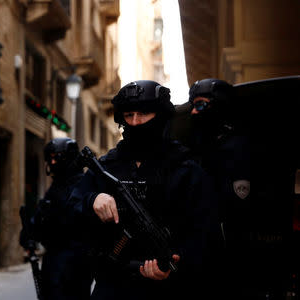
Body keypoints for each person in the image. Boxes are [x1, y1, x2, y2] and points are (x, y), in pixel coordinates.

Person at [68, 80, 220, 299]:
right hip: (112, 286)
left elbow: (206, 233)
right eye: (129, 115)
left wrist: (177, 261)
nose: (136, 122)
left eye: (144, 113)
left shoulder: (186, 169)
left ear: (161, 116)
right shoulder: (106, 166)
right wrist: (92, 199)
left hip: (169, 288)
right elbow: (72, 208)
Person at [188, 78, 290, 299]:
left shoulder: (249, 148)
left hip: (250, 259)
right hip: (210, 260)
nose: (194, 113)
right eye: (193, 106)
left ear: (219, 105)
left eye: (201, 105)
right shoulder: (195, 151)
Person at [20, 137, 93, 300]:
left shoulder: (81, 185)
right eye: (50, 158)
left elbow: (61, 221)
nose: (52, 162)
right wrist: (29, 233)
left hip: (73, 266)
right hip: (55, 263)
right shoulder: (58, 185)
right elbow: (42, 217)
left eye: (56, 157)